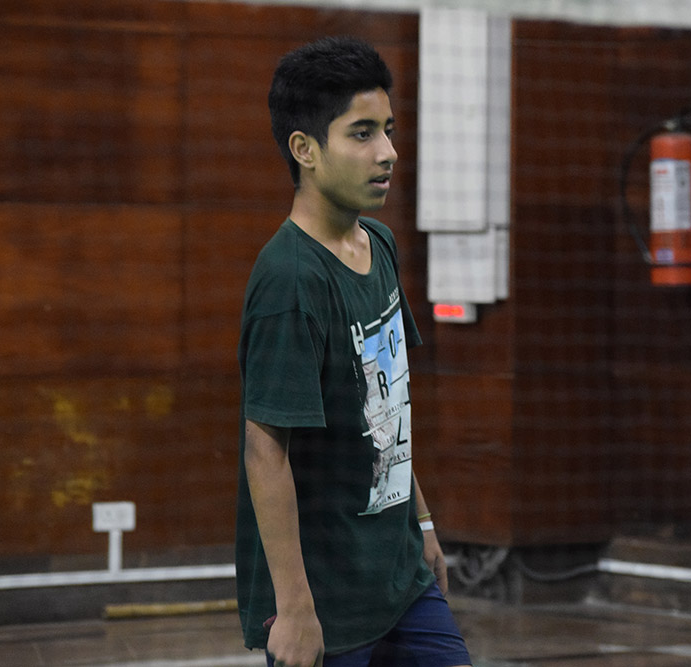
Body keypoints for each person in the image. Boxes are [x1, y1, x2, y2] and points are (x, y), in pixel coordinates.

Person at [235, 36, 472, 667]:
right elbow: (265, 449)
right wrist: (295, 609)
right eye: (361, 134)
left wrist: (422, 525)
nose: (387, 152)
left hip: (400, 579)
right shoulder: (290, 280)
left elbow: (386, 411)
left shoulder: (381, 244)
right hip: (325, 600)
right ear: (305, 150)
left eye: (388, 130)